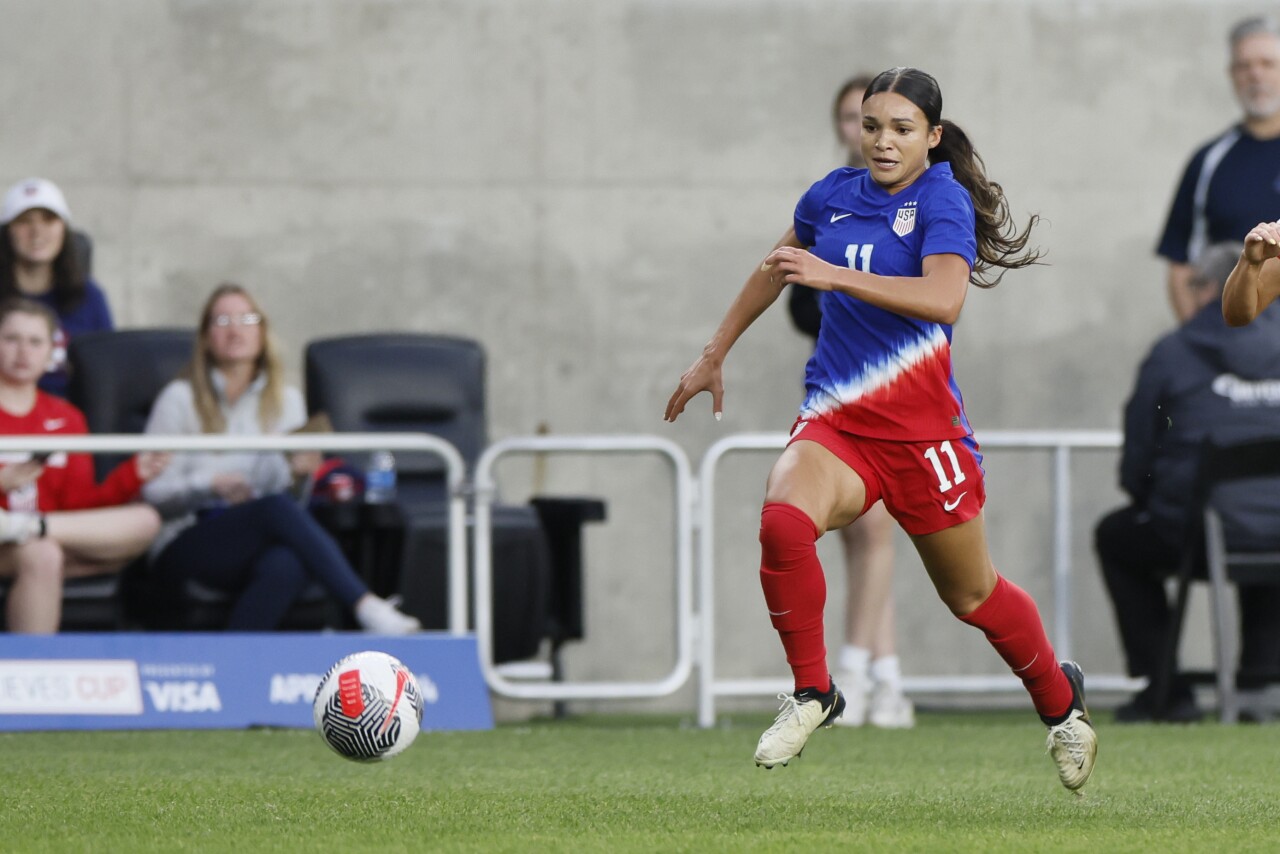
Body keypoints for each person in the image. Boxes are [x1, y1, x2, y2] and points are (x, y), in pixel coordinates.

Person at [665, 67, 1097, 792]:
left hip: (924, 438)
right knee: (781, 519)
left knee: (972, 597)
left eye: (901, 129)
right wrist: (715, 352)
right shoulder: (831, 197)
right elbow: (776, 267)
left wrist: (836, 277)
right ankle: (814, 693)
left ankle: (1062, 704)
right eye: (871, 127)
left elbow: (944, 297)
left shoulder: (942, 199)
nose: (883, 141)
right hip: (838, 419)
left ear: (931, 137)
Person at [141, 283, 421, 633]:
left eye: (246, 318)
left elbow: (292, 506)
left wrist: (302, 477)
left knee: (286, 563)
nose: (235, 329)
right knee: (273, 512)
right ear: (205, 336)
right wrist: (207, 484)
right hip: (187, 540)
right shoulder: (179, 398)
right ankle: (365, 606)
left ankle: (232, 667)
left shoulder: (286, 400)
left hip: (261, 533)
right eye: (223, 319)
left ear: (262, 330)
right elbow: (150, 491)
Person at [1096, 242, 1280, 722]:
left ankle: (1167, 690)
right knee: (1264, 517)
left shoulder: (1173, 351)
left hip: (1193, 534)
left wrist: (1145, 498)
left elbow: (1140, 450)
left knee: (1117, 537)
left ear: (1205, 289)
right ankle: (1261, 682)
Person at [787, 73, 912, 729]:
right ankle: (884, 676)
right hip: (836, 381)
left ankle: (859, 672)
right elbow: (797, 297)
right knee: (855, 533)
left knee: (875, 529)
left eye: (893, 124)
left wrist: (849, 285)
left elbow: (929, 296)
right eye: (857, 120)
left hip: (894, 386)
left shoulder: (920, 199)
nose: (869, 134)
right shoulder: (829, 200)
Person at [0, 298, 166, 633]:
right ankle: (34, 676)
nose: (23, 352)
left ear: (51, 353)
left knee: (146, 520)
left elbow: (80, 506)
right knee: (44, 555)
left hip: (48, 534)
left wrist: (133, 475)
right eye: (11, 339)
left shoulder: (66, 417)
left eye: (35, 342)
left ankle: (27, 527)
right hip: (17, 549)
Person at [1156, 16, 1280, 321]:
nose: (1255, 75)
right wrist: (1201, 341)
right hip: (1227, 334)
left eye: (1267, 63)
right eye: (1244, 66)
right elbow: (1180, 266)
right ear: (1231, 75)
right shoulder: (1208, 161)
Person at [0, 178, 114, 396]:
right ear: (7, 232)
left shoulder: (90, 296)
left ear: (64, 229)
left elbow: (106, 371)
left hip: (70, 417)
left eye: (49, 220)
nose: (37, 231)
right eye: (24, 221)